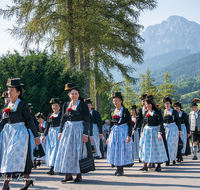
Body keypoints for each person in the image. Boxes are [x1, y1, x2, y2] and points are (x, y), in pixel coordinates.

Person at [0, 78, 40, 190]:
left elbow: (29, 120)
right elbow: (3, 121)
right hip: (8, 134)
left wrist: (36, 136)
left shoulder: (23, 105)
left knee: (11, 157)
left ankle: (5, 186)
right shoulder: (6, 106)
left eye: (12, 90)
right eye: (8, 90)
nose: (9, 92)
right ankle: (28, 181)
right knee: (15, 159)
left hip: (20, 134)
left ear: (18, 92)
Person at [54, 82, 93, 182]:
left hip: (78, 130)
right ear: (69, 95)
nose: (74, 95)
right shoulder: (66, 104)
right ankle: (68, 175)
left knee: (78, 152)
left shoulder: (83, 105)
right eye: (72, 94)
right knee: (66, 151)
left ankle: (79, 175)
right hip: (67, 131)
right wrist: (60, 131)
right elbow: (63, 118)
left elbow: (87, 119)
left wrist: (85, 134)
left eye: (76, 93)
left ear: (78, 94)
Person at [107, 92, 133, 176]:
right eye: (114, 101)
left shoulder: (125, 111)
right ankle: (117, 167)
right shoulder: (112, 111)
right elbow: (111, 124)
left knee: (121, 150)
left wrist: (128, 135)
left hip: (122, 132)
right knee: (115, 150)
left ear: (121, 101)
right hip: (114, 132)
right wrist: (108, 136)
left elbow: (129, 123)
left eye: (117, 101)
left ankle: (120, 169)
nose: (115, 103)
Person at [139, 95, 168, 172]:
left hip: (155, 131)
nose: (145, 106)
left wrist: (159, 132)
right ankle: (145, 165)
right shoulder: (146, 113)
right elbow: (144, 123)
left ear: (151, 104)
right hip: (147, 131)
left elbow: (160, 123)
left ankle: (158, 165)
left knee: (156, 148)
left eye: (147, 104)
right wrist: (141, 132)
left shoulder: (157, 112)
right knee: (145, 147)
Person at [42, 98, 62, 175]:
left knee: (56, 150)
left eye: (56, 106)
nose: (55, 107)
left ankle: (53, 168)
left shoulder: (61, 115)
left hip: (58, 133)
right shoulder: (50, 115)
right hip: (51, 133)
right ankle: (53, 166)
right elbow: (47, 126)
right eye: (53, 106)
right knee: (50, 150)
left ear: (59, 107)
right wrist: (44, 135)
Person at [162, 96, 181, 165]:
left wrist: (179, 131)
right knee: (165, 144)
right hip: (165, 128)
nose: (166, 105)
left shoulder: (174, 112)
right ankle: (166, 159)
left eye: (167, 103)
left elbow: (178, 121)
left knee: (172, 144)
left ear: (170, 104)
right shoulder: (163, 112)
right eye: (165, 104)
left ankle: (172, 158)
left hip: (173, 128)